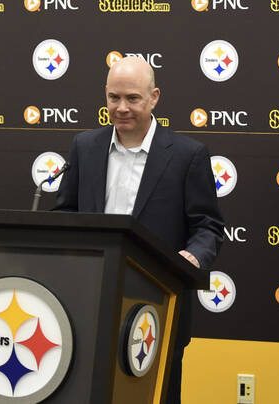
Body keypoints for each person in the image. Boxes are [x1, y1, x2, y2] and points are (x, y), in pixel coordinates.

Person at [54, 56, 224, 403]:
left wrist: (192, 257)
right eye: (113, 97)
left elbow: (208, 226)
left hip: (158, 307)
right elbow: (66, 213)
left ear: (154, 97)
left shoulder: (188, 155)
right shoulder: (84, 147)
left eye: (132, 98)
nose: (121, 108)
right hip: (89, 306)